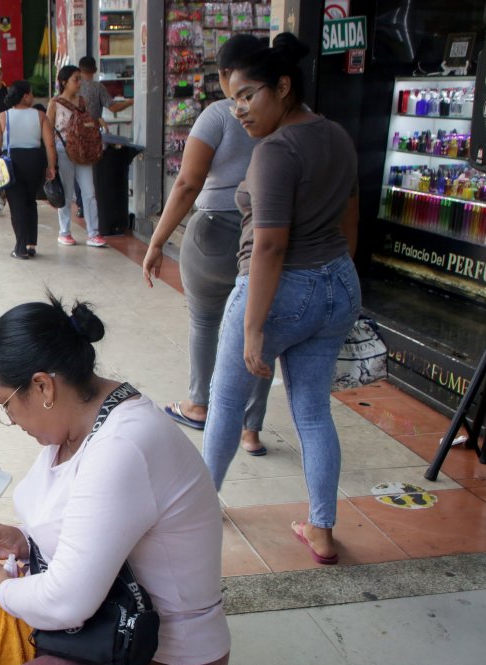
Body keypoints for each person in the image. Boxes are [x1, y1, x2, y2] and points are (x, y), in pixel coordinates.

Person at [0, 296, 231, 665]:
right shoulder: (81, 420)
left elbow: (67, 602)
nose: (9, 419)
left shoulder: (121, 447)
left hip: (159, 652)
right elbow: (91, 521)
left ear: (43, 386)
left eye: (5, 404)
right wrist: (22, 539)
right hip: (105, 625)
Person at [202, 33, 360, 566]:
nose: (240, 109)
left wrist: (253, 329)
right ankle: (321, 529)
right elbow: (349, 215)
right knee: (313, 411)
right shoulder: (336, 133)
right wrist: (338, 274)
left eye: (249, 95)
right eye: (234, 99)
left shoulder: (274, 151)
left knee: (225, 404)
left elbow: (269, 243)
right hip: (338, 282)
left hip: (279, 291)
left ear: (284, 87)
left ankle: (198, 510)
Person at [141, 34, 271, 457]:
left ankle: (199, 404)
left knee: (205, 322)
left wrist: (157, 241)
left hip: (214, 230)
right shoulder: (284, 118)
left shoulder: (218, 114)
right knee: (259, 329)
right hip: (265, 234)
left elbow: (188, 182)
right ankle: (251, 430)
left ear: (222, 75)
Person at [0, 80, 56, 259]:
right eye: (31, 93)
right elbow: (50, 144)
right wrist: (51, 165)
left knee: (17, 205)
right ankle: (31, 244)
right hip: (35, 161)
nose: (32, 97)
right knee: (30, 202)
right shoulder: (40, 116)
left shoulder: (2, 117)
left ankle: (20, 248)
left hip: (12, 163)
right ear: (25, 96)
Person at [47, 65, 107, 248]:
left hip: (83, 152)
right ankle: (64, 231)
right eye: (76, 79)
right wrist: (50, 158)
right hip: (63, 150)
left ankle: (93, 233)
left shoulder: (83, 101)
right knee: (65, 192)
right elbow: (48, 129)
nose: (79, 83)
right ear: (64, 82)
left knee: (89, 192)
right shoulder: (55, 103)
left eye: (80, 78)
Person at [77, 57, 133, 124]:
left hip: (74, 130)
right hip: (92, 130)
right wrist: (131, 102)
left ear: (79, 69)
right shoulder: (98, 87)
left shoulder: (73, 86)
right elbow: (114, 108)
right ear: (95, 70)